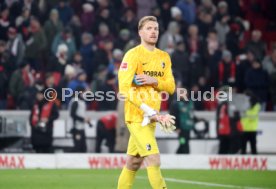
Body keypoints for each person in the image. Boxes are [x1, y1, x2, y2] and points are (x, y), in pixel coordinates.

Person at [117, 16, 176, 189]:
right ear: (140, 32)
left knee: (133, 163)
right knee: (154, 159)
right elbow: (124, 88)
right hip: (137, 117)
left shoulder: (164, 57)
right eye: (149, 28)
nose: (153, 32)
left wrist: (153, 80)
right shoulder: (132, 55)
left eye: (156, 29)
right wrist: (147, 110)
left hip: (151, 118)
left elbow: (171, 87)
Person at [29, 88, 59, 153]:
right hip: (36, 133)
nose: (39, 96)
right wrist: (33, 126)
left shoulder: (51, 104)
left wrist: (48, 119)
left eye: (41, 94)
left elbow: (56, 115)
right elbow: (31, 118)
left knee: (46, 152)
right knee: (37, 151)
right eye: (38, 95)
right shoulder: (34, 105)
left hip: (46, 133)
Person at [68, 86, 91, 153]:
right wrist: (83, 119)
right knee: (77, 148)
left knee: (83, 147)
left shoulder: (81, 101)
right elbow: (73, 114)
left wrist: (85, 119)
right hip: (76, 128)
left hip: (81, 127)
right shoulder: (75, 101)